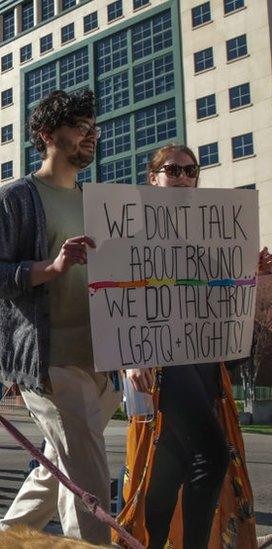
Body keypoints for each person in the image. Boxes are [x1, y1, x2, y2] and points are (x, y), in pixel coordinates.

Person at [0, 88, 122, 545]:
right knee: (89, 481)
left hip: (102, 360)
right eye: (79, 127)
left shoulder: (99, 202)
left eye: (92, 128)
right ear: (45, 134)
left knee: (61, 466)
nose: (90, 136)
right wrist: (51, 268)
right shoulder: (15, 197)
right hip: (50, 357)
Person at [115, 144, 264, 548]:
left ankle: (151, 542)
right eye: (172, 170)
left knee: (171, 468)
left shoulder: (212, 234)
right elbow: (119, 298)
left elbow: (223, 303)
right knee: (210, 456)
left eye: (190, 171)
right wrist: (131, 356)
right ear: (153, 178)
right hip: (161, 359)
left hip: (203, 360)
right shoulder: (132, 228)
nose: (182, 177)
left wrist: (253, 280)